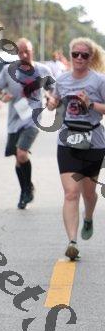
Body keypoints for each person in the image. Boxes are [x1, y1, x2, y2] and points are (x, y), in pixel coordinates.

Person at [46, 37, 105, 260]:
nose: (79, 58)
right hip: (68, 140)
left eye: (84, 55)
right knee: (71, 193)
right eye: (75, 54)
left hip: (93, 141)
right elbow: (54, 101)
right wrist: (51, 103)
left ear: (91, 57)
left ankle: (88, 217)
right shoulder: (62, 80)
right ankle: (72, 241)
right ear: (70, 55)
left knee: (89, 193)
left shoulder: (99, 81)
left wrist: (90, 104)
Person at [0, 38, 54, 209]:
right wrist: (2, 96)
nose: (24, 55)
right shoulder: (8, 71)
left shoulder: (43, 70)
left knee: (21, 153)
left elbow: (53, 90)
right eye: (20, 52)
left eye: (27, 51)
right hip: (14, 121)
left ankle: (26, 190)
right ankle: (26, 190)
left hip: (33, 120)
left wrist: (51, 99)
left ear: (32, 51)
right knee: (18, 159)